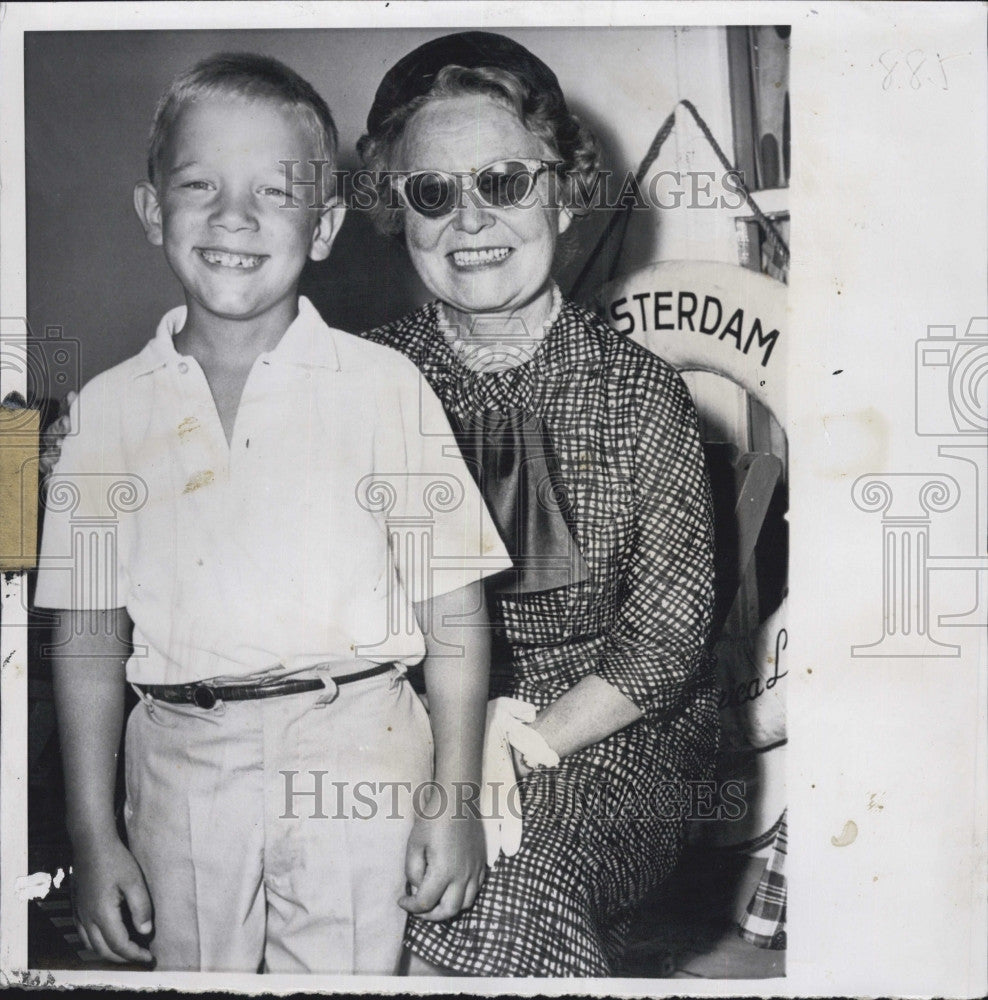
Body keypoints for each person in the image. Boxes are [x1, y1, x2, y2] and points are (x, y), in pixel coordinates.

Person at [33, 52, 512, 974]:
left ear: (325, 225)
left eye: (274, 192)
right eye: (200, 185)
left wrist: (452, 800)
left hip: (357, 748)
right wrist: (92, 834)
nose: (234, 218)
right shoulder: (104, 411)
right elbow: (88, 633)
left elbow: (453, 610)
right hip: (178, 760)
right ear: (150, 212)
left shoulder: (385, 388)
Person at [356, 31, 719, 977]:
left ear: (563, 190)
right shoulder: (356, 380)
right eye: (432, 192)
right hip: (408, 721)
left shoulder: (640, 392)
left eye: (505, 183)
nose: (469, 220)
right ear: (399, 214)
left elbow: (666, 647)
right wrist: (452, 750)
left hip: (608, 730)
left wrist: (508, 754)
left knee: (505, 886)